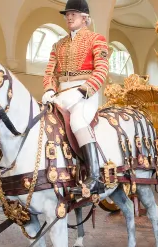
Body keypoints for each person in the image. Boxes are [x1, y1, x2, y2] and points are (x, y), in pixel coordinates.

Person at [41, 0, 109, 197]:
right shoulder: (58, 44)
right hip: (61, 93)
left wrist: (84, 90)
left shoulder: (97, 39)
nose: (69, 17)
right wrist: (48, 89)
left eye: (74, 14)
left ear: (85, 18)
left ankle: (95, 177)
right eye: (67, 14)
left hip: (85, 93)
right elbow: (50, 73)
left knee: (78, 121)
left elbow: (102, 69)